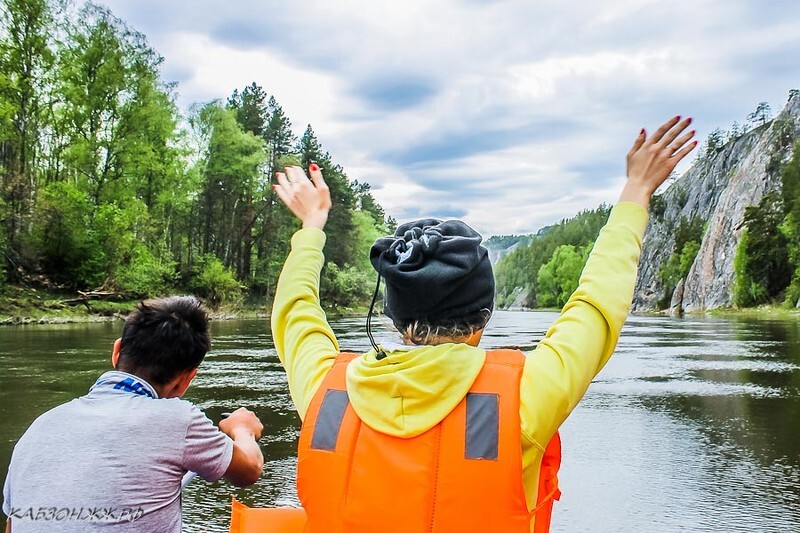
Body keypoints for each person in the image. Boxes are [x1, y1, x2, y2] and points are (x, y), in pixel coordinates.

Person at [271, 116, 697, 532]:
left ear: (395, 319)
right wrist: (636, 191)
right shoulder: (526, 398)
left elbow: (294, 311)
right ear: (483, 320)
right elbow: (597, 305)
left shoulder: (323, 390)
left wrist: (312, 226)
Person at [2, 296, 265, 533]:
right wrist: (243, 429)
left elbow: (12, 524)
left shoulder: (41, 425)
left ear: (117, 351)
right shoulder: (178, 418)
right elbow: (249, 470)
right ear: (186, 380)